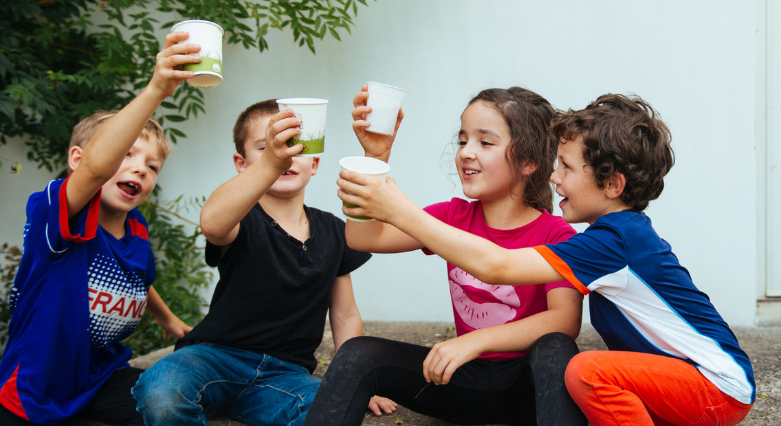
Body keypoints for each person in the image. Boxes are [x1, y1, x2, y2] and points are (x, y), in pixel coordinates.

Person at [334, 93, 755, 426]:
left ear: (612, 184)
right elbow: (362, 236)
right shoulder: (607, 238)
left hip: (716, 383)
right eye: (462, 139)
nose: (555, 178)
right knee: (591, 372)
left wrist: (399, 207)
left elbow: (498, 266)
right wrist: (374, 164)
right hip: (678, 381)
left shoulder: (612, 242)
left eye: (567, 168)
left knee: (588, 370)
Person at [304, 87, 587, 426]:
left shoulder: (556, 235)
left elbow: (564, 321)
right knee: (357, 353)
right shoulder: (451, 218)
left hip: (527, 389)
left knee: (555, 348)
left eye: (485, 142)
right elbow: (363, 237)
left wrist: (477, 341)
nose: (466, 152)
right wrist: (374, 156)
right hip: (461, 382)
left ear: (528, 162)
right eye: (462, 140)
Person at [131, 99, 397, 426]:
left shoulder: (333, 230)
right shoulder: (241, 218)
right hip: (213, 357)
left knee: (337, 409)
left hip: (286, 375)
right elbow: (213, 223)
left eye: (294, 146)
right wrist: (270, 163)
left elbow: (344, 313)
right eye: (269, 147)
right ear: (242, 164)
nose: (284, 154)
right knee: (161, 391)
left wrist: (353, 380)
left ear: (314, 163)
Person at [0, 31, 199, 426]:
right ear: (78, 158)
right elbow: (96, 169)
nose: (139, 167)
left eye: (151, 166)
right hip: (33, 389)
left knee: (171, 403)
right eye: (126, 152)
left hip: (102, 377)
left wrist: (168, 319)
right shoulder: (61, 215)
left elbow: (137, 280)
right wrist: (156, 89)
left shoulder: (136, 230)